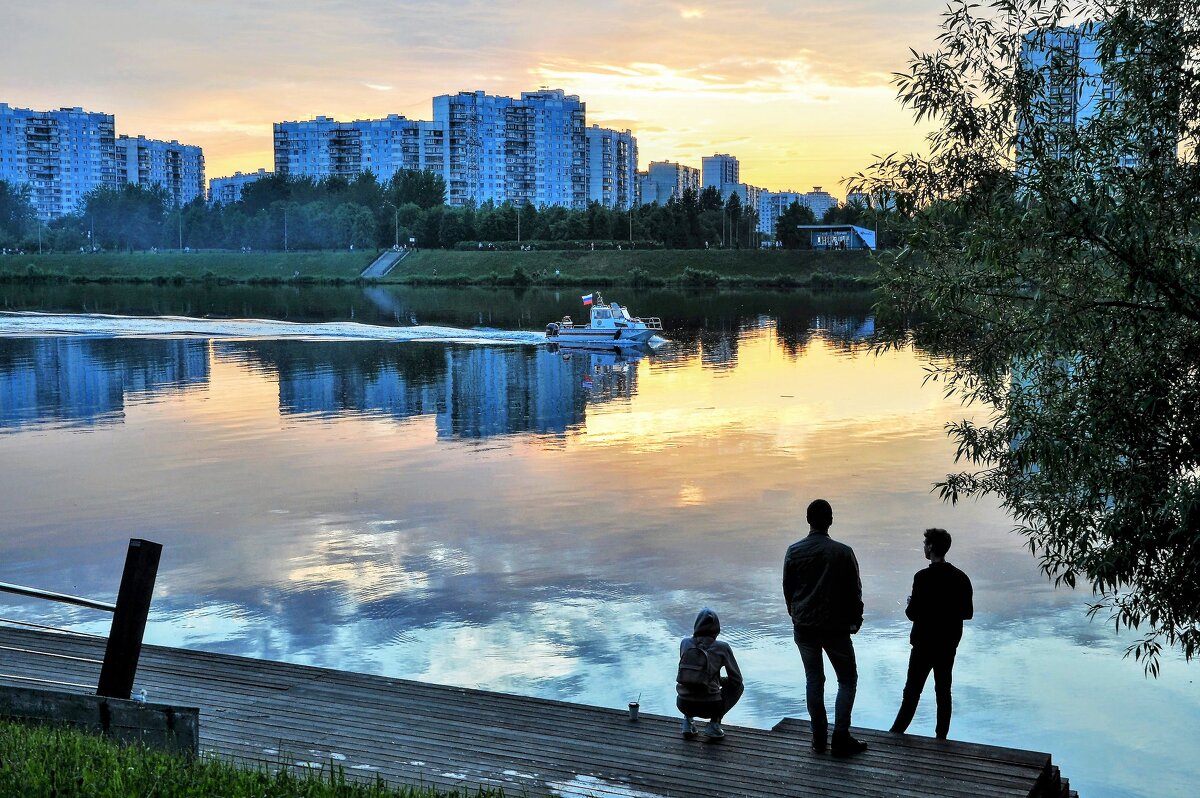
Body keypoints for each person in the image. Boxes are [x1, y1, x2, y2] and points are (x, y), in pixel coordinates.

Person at [783, 499, 868, 756]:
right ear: (830, 520)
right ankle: (840, 736)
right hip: (835, 627)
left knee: (814, 679)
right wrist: (856, 619)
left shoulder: (793, 551)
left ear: (808, 520)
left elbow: (788, 589)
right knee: (847, 679)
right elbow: (855, 590)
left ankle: (818, 737)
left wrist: (795, 614)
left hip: (804, 626)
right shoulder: (843, 552)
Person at [890, 527, 973, 739]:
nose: (923, 548)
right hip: (948, 643)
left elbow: (912, 614)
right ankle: (941, 737)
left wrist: (912, 604)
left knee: (912, 691)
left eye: (925, 544)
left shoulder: (922, 577)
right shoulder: (961, 578)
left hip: (924, 643)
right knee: (943, 691)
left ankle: (896, 732)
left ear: (931, 547)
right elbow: (967, 613)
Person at [676, 607, 744, 739]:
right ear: (716, 628)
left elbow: (688, 674)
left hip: (683, 703)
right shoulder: (722, 647)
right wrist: (718, 680)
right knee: (739, 687)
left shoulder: (685, 643)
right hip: (710, 706)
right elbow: (736, 680)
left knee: (689, 681)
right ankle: (714, 725)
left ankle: (687, 722)